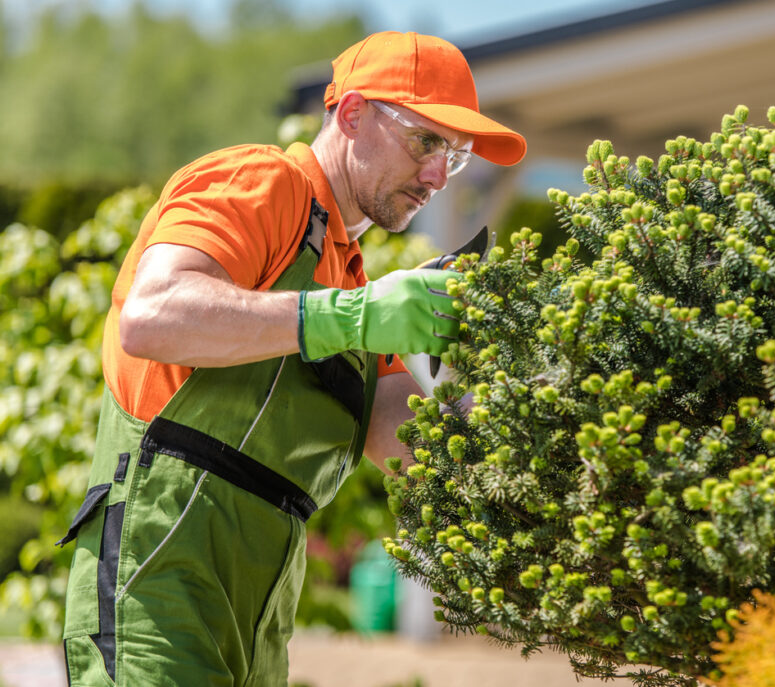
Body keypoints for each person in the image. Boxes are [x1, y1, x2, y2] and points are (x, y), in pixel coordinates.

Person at [57, 31, 526, 686]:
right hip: (156, 583)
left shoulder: (352, 280)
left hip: (260, 618)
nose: (438, 176)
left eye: (456, 154)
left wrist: (536, 398)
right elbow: (151, 314)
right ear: (355, 112)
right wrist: (350, 316)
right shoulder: (262, 182)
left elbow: (409, 440)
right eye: (426, 142)